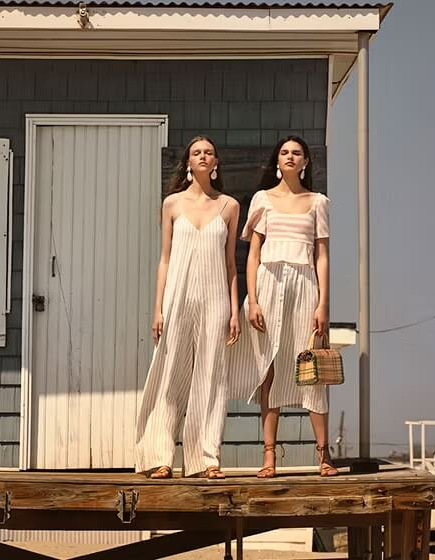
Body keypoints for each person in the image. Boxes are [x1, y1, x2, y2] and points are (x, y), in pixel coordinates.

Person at [229, 135, 339, 478]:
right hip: (269, 282)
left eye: (297, 153)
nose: (290, 157)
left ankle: (323, 455)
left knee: (310, 367)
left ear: (306, 162)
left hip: (305, 283)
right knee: (270, 368)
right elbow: (253, 255)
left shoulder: (318, 202)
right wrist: (254, 300)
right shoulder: (263, 199)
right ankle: (269, 457)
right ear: (277, 161)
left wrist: (323, 302)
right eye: (284, 152)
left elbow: (322, 255)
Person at [135, 135, 241, 480]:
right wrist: (157, 308)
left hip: (215, 298)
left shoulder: (229, 206)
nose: (203, 156)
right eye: (196, 152)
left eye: (209, 152)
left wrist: (235, 310)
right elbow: (164, 260)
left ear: (216, 163)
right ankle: (160, 455)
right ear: (188, 163)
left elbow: (230, 265)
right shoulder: (172, 204)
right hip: (177, 295)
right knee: (169, 373)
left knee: (211, 376)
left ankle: (205, 458)